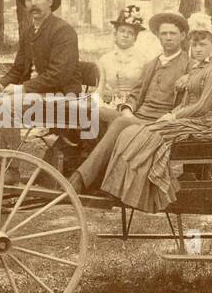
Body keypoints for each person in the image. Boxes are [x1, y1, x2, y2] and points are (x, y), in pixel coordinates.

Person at [96, 12, 212, 212]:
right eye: (194, 45)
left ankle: (132, 192)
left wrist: (173, 115)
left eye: (202, 45)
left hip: (201, 121)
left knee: (144, 134)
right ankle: (118, 189)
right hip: (183, 117)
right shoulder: (195, 69)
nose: (197, 49)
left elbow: (203, 106)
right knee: (129, 133)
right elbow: (184, 100)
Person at [68, 10, 190, 192]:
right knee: (94, 112)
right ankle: (91, 172)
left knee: (122, 122)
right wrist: (127, 108)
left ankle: (80, 178)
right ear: (158, 37)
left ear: (182, 36)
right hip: (138, 116)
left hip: (161, 121)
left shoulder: (188, 65)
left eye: (173, 33)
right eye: (164, 34)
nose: (168, 38)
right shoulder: (152, 63)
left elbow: (189, 102)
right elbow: (136, 92)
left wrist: (189, 82)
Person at [0, 0, 79, 133]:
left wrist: (22, 88)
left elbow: (59, 75)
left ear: (50, 1)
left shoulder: (63, 31)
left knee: (9, 104)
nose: (33, 3)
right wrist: (2, 83)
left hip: (61, 95)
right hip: (35, 92)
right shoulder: (29, 33)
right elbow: (18, 68)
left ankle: (8, 155)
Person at [96, 5, 149, 108]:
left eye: (130, 33)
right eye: (122, 31)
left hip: (134, 107)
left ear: (135, 38)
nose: (125, 35)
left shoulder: (143, 60)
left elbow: (145, 91)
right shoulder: (105, 59)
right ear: (115, 34)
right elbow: (100, 88)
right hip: (109, 105)